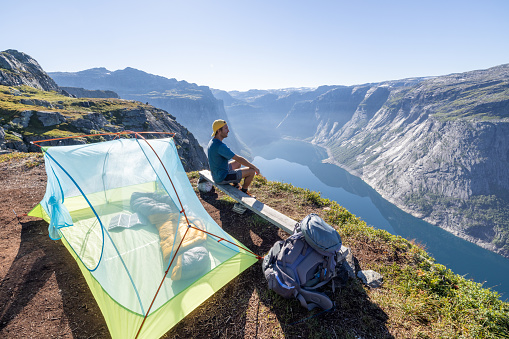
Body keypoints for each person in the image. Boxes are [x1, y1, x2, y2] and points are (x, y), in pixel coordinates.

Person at [207, 119, 260, 195]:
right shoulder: (220, 146)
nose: (228, 130)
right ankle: (244, 192)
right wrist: (254, 167)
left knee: (237, 163)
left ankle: (235, 185)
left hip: (217, 173)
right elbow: (238, 158)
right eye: (226, 128)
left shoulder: (213, 141)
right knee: (251, 171)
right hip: (222, 177)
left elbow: (237, 160)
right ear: (219, 131)